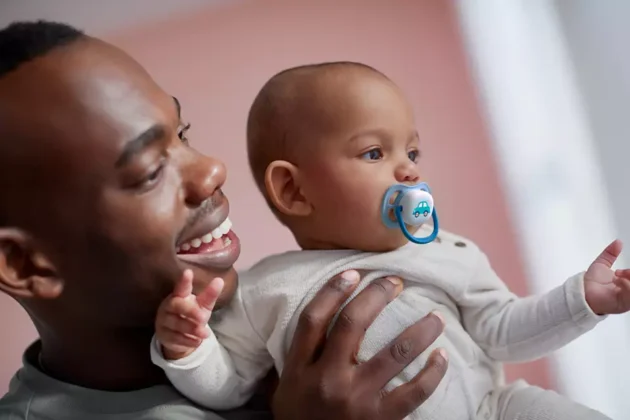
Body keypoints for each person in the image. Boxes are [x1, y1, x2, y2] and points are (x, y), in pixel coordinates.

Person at [0, 22, 449, 420]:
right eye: (150, 171)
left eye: (183, 134)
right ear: (23, 264)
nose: (212, 169)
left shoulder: (279, 327)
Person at [152, 63, 630, 419]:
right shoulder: (265, 291)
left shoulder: (444, 251)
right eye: (375, 152)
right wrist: (190, 349)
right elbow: (227, 386)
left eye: (413, 150)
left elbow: (505, 330)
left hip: (495, 410)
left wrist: (583, 300)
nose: (409, 169)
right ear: (294, 191)